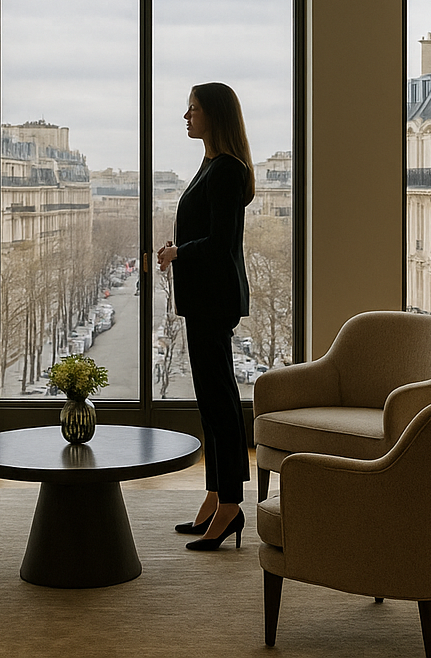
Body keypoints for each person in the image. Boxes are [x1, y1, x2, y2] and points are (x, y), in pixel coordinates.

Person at [156, 82, 254, 551]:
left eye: (193, 109)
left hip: (214, 300)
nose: (186, 116)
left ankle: (231, 504)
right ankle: (216, 495)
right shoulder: (212, 165)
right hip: (203, 300)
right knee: (212, 403)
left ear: (214, 115)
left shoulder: (228, 171)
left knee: (220, 404)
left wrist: (177, 252)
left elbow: (221, 242)